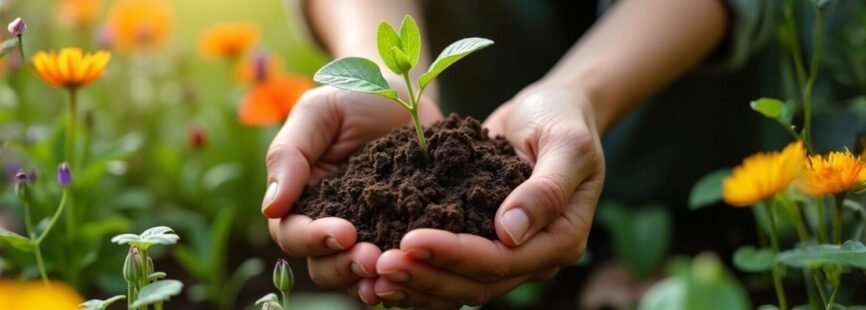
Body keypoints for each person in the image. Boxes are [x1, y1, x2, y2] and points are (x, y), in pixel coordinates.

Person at [261, 0, 777, 308]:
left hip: (692, 120)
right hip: (476, 97)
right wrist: (385, 76)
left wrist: (581, 94)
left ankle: (666, 231)